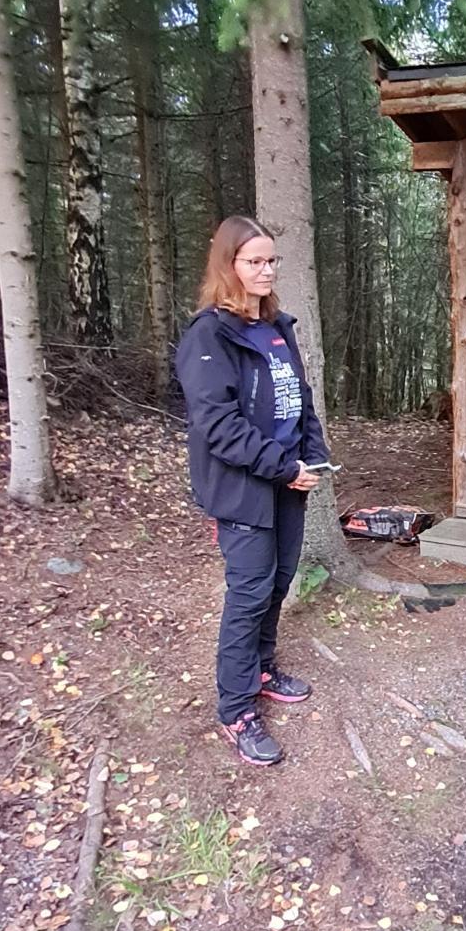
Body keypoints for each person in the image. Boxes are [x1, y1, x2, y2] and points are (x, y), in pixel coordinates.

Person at [175, 215, 329, 766]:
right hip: (245, 488)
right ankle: (235, 709)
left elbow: (299, 400)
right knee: (248, 594)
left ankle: (262, 669)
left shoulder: (276, 327)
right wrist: (283, 467)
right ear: (229, 265)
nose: (266, 270)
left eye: (271, 260)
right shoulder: (208, 336)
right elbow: (218, 426)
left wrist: (314, 456)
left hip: (287, 481)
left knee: (278, 582)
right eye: (254, 261)